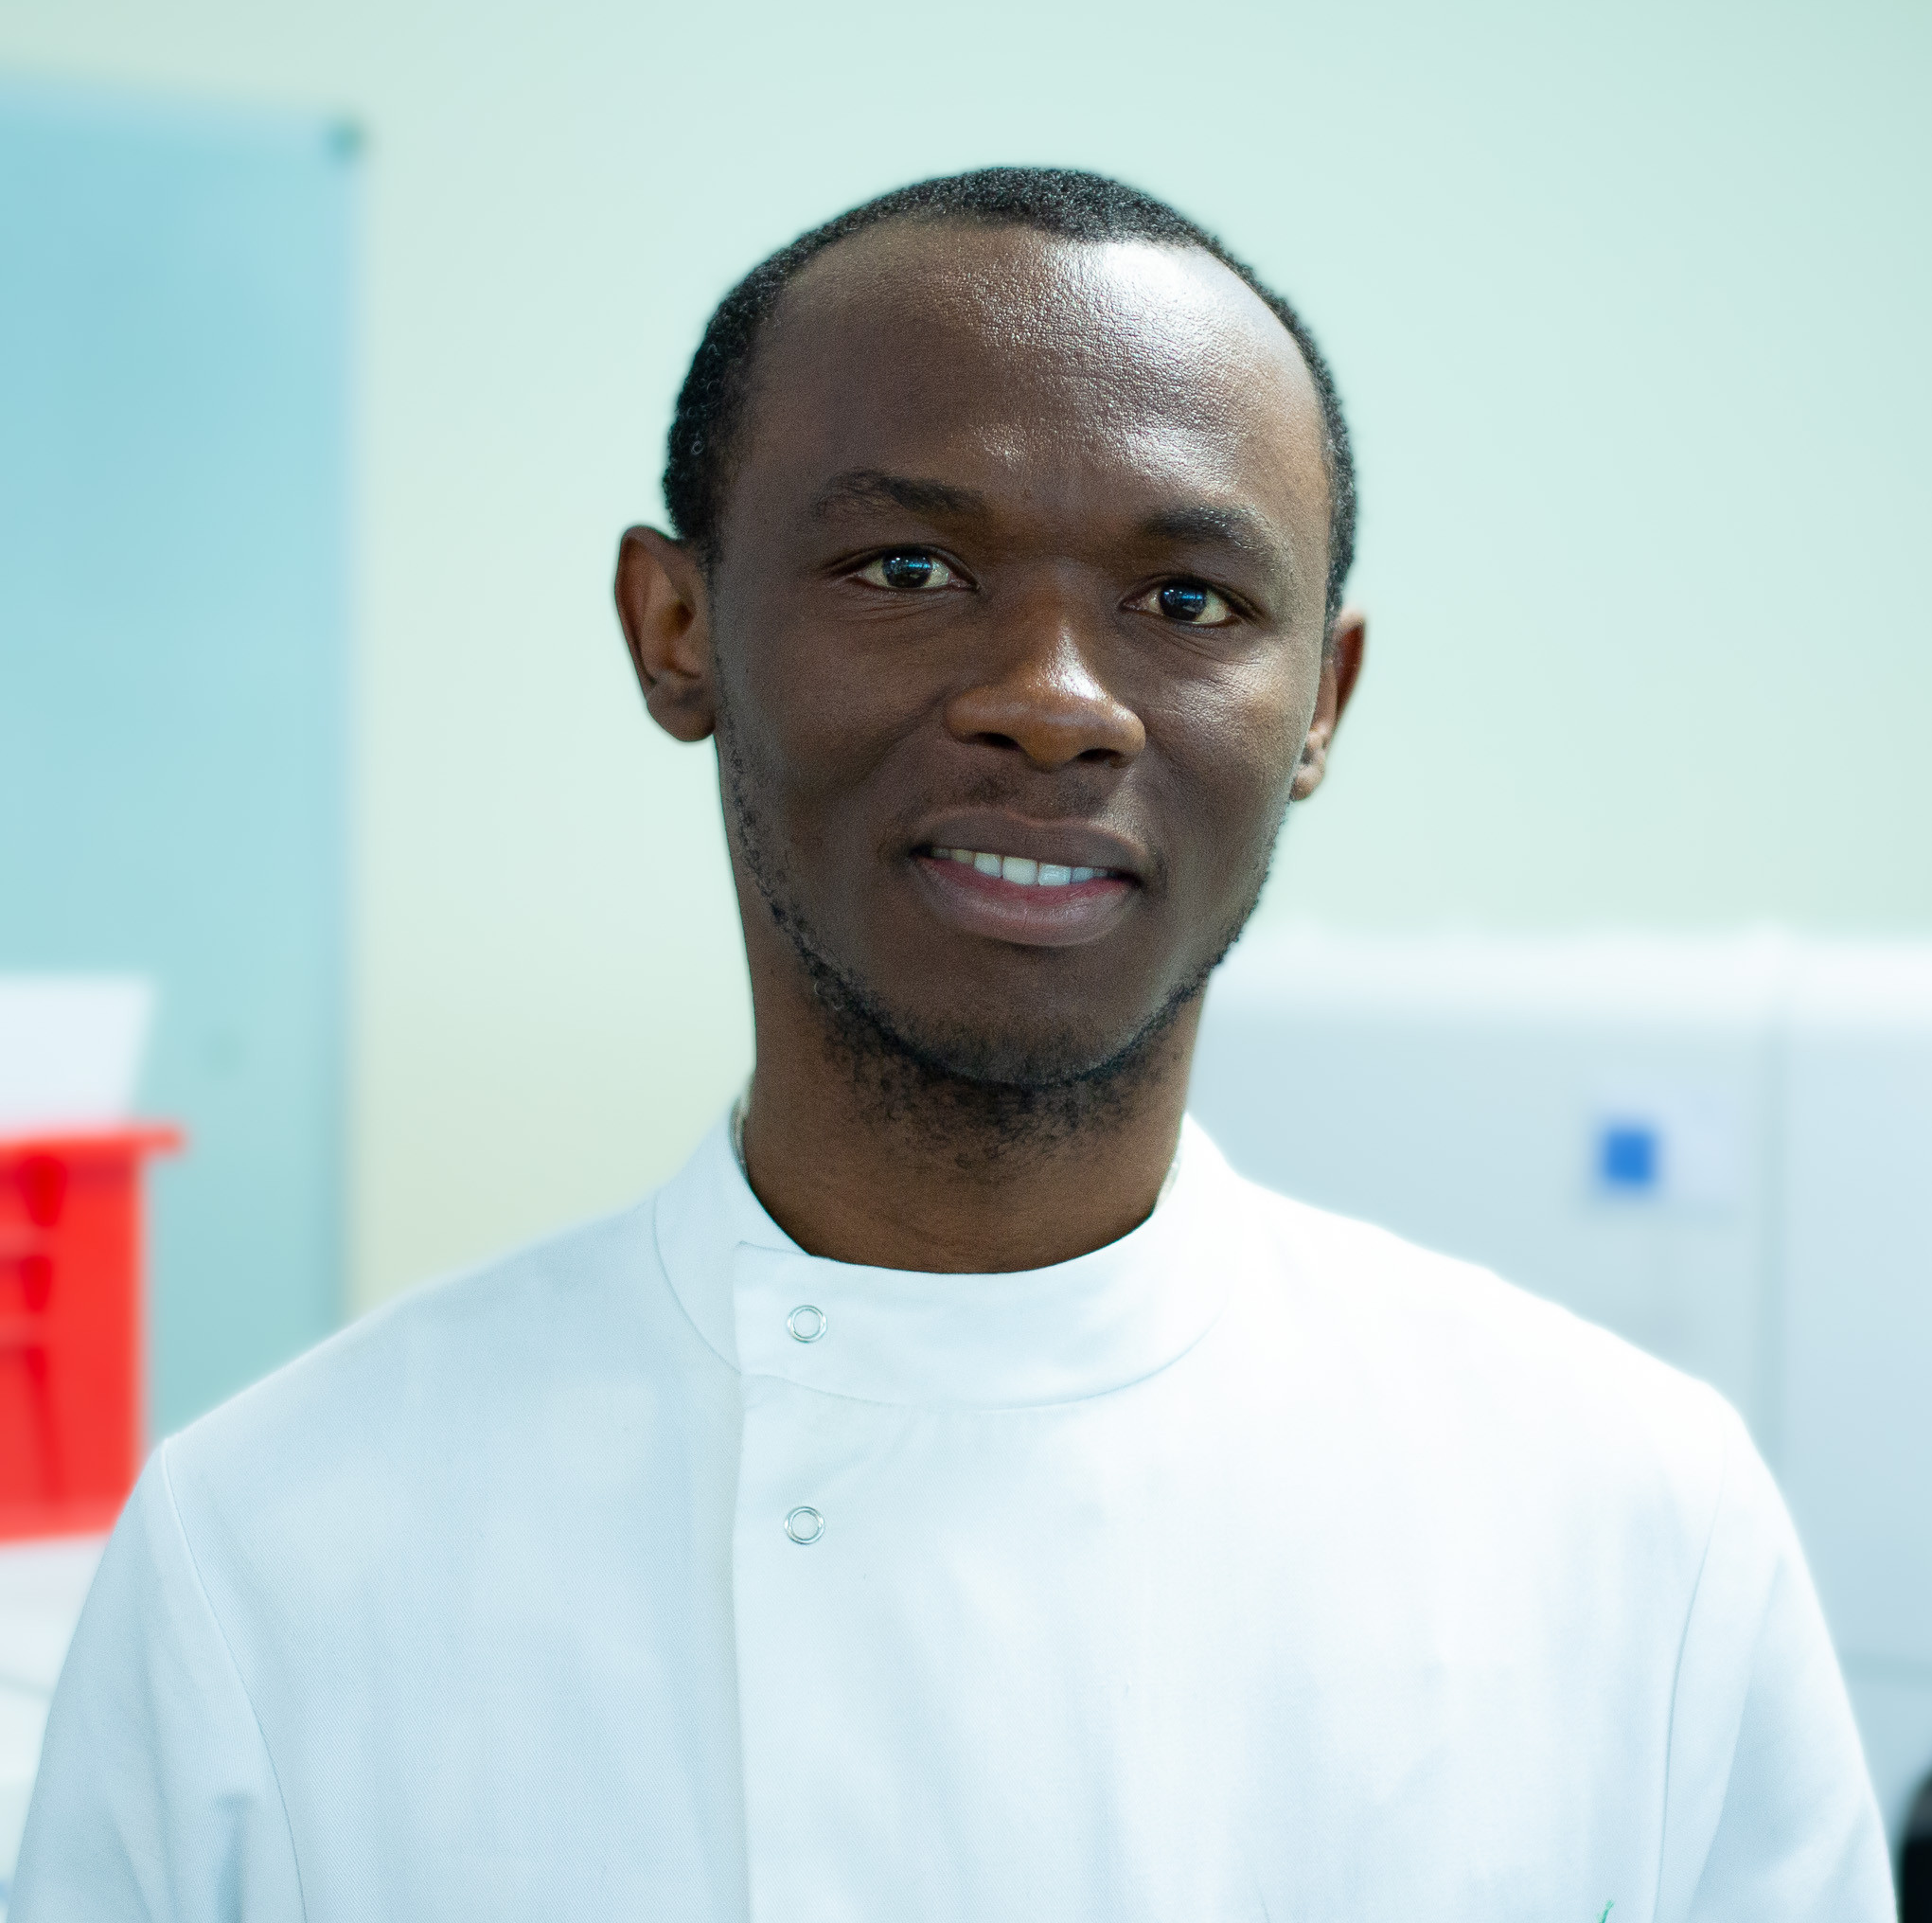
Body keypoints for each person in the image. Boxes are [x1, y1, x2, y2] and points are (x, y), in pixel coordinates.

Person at [13, 169, 1892, 1920]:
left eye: (1186, 602)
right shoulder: (268, 1558)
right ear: (676, 630)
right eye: (910, 570)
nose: (1056, 705)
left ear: (1317, 700)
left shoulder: (1626, 1529)